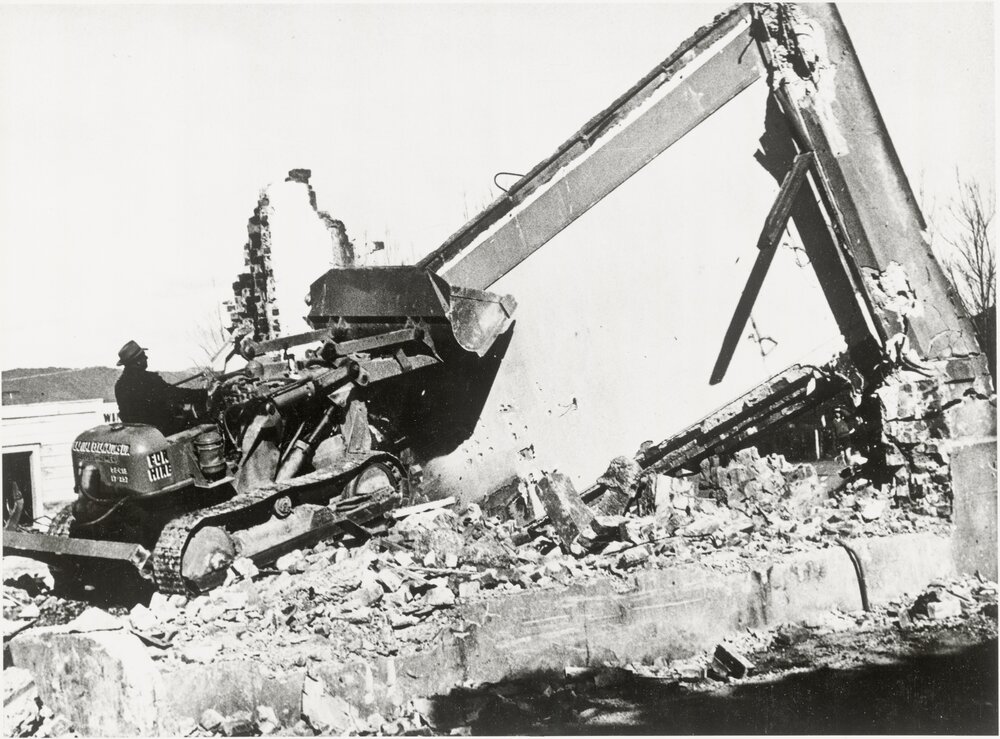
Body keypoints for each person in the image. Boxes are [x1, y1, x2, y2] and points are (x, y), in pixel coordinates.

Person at [114, 340, 207, 435]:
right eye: (143, 356)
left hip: (137, 435)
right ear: (138, 362)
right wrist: (205, 394)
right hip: (159, 433)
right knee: (203, 426)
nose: (146, 357)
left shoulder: (119, 385)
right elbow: (175, 394)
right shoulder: (149, 380)